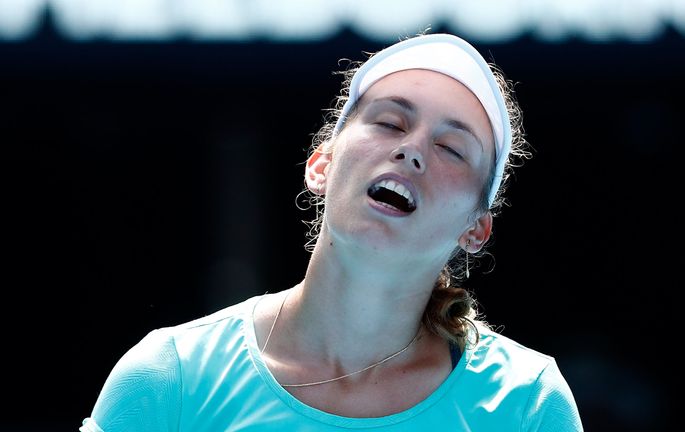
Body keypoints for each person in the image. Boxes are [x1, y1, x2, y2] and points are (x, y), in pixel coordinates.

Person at [80, 32, 583, 431]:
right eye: (389, 122)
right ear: (320, 166)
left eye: (451, 148)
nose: (412, 150)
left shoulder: (528, 404)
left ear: (476, 229)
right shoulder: (170, 377)